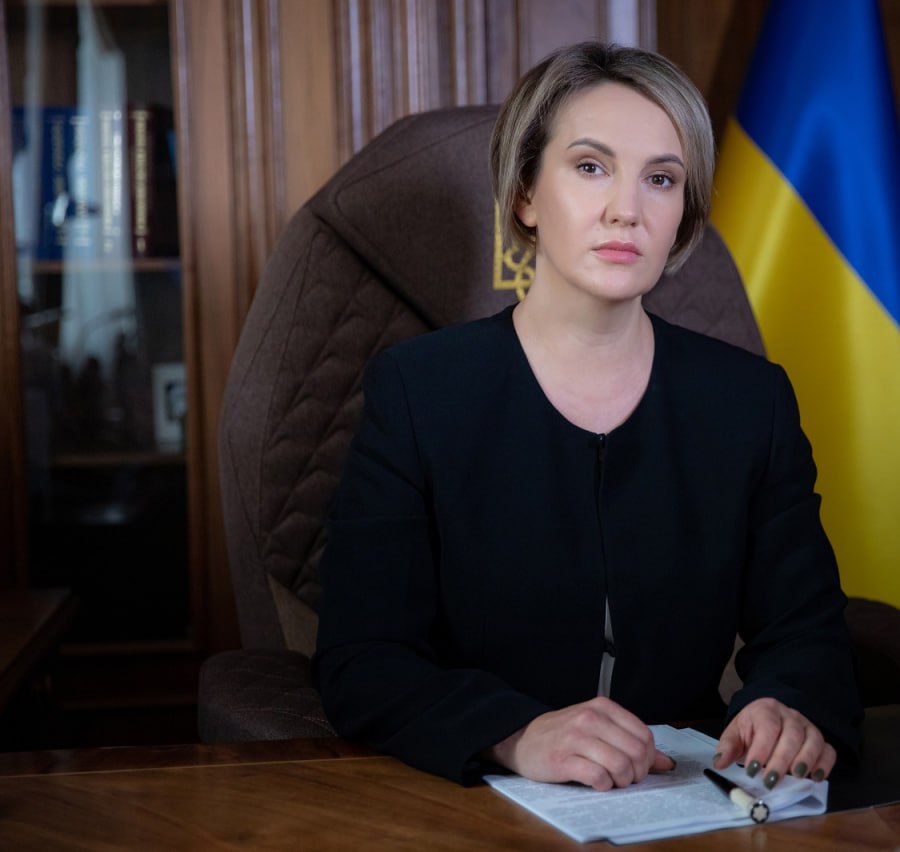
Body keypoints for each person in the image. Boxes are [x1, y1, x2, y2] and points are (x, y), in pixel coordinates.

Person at [313, 41, 863, 791]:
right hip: (477, 801)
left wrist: (787, 703)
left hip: (685, 796)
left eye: (661, 179)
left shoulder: (750, 402)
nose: (625, 210)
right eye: (590, 167)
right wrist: (513, 733)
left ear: (683, 215)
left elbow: (807, 632)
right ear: (525, 197)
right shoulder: (417, 390)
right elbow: (361, 658)